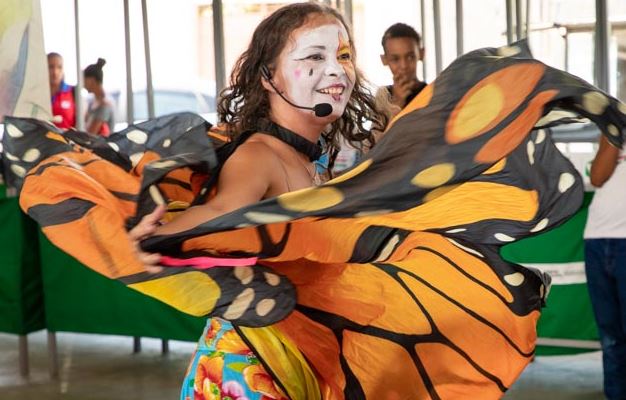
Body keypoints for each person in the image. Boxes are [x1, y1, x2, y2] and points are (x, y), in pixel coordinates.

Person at [127, 3, 386, 399]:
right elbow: (217, 213)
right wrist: (145, 240)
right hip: (248, 371)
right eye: (315, 56)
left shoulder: (311, 160)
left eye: (344, 55)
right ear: (268, 76)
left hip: (296, 363)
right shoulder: (259, 156)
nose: (337, 70)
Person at [584, 134, 626, 400]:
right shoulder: (614, 128)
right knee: (610, 334)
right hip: (597, 238)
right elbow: (598, 178)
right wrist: (613, 131)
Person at [379, 22, 426, 110]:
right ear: (384, 60)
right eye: (395, 59)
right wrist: (398, 102)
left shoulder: (432, 93)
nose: (404, 66)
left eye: (410, 57)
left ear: (421, 54)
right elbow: (379, 124)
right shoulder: (382, 96)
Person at [83, 58, 115, 137]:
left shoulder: (105, 104)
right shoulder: (92, 102)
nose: (83, 84)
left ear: (92, 80)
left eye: (84, 80)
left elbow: (91, 134)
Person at [48, 52, 76, 129]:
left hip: (67, 140)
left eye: (59, 67)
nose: (55, 72)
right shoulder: (36, 93)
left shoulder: (73, 92)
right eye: (51, 67)